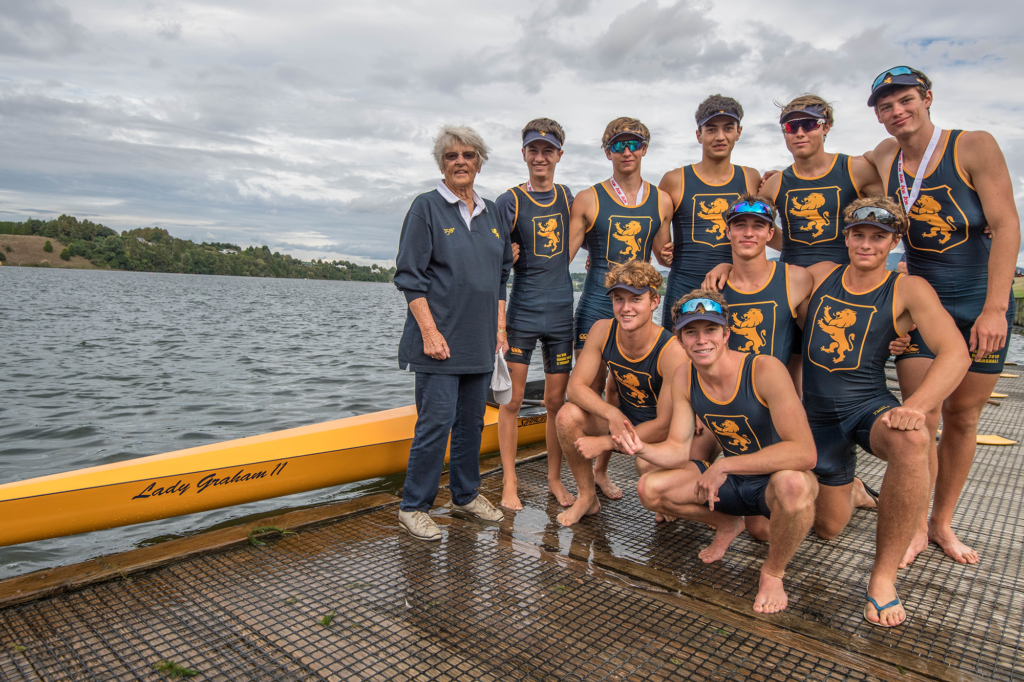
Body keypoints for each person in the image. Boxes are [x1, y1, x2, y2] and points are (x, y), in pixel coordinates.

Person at [863, 66, 1020, 567]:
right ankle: (911, 524)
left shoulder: (973, 145)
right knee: (920, 417)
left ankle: (941, 522)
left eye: (905, 100)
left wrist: (995, 308)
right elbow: (832, 170)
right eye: (886, 107)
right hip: (924, 305)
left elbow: (1006, 224)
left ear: (927, 98)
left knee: (963, 417)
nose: (897, 112)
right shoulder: (885, 157)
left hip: (978, 299)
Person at [801, 197, 970, 626]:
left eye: (878, 237)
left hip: (866, 405)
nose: (866, 244)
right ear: (846, 237)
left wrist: (917, 404)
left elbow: (955, 352)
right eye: (858, 234)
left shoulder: (908, 288)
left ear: (894, 240)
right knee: (827, 529)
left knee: (914, 440)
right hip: (815, 415)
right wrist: (726, 268)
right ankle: (854, 490)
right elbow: (764, 284)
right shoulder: (821, 276)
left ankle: (883, 576)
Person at [614, 289, 817, 614]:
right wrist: (641, 448)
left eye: (710, 329)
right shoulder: (684, 376)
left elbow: (805, 453)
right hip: (733, 481)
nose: (701, 340)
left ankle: (773, 572)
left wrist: (724, 465)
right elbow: (678, 449)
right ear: (680, 339)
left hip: (772, 482)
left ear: (726, 333)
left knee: (794, 488)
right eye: (691, 332)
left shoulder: (764, 369)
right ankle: (726, 524)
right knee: (650, 488)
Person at [393, 125, 512, 541]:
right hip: (438, 344)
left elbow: (501, 276)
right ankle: (414, 506)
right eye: (451, 157)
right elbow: (409, 277)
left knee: (472, 425)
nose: (460, 162)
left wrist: (500, 329)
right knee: (435, 424)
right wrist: (428, 332)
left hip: (480, 341)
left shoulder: (494, 210)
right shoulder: (426, 208)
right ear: (441, 165)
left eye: (468, 155)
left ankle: (464, 496)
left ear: (480, 161)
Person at [567, 117, 674, 501]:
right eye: (617, 145)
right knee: (591, 388)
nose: (626, 152)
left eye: (634, 144)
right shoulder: (588, 198)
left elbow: (664, 252)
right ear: (607, 150)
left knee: (620, 384)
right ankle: (586, 487)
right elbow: (560, 254)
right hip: (598, 297)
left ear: (644, 148)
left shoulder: (661, 199)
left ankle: (601, 470)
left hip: (636, 301)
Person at [556, 262, 685, 526]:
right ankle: (587, 496)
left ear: (654, 301)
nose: (626, 308)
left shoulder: (672, 351)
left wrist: (606, 442)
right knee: (567, 416)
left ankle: (676, 495)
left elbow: (664, 424)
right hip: (622, 418)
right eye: (619, 299)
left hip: (658, 431)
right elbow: (575, 387)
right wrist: (611, 413)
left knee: (648, 473)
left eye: (636, 299)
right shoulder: (603, 330)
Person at [494, 118, 578, 511]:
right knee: (510, 402)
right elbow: (489, 258)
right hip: (523, 313)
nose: (540, 157)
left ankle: (554, 479)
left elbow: (604, 231)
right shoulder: (508, 201)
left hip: (562, 312)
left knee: (556, 403)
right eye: (533, 150)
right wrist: (503, 260)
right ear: (524, 153)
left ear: (559, 155)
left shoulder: (568, 197)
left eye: (548, 150)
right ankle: (509, 483)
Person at [659, 95, 761, 329]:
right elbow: (657, 243)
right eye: (711, 129)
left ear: (739, 132)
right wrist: (663, 253)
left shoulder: (751, 178)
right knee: (676, 358)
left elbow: (762, 233)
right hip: (684, 286)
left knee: (733, 359)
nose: (720, 137)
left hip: (736, 286)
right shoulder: (674, 180)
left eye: (728, 128)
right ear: (699, 135)